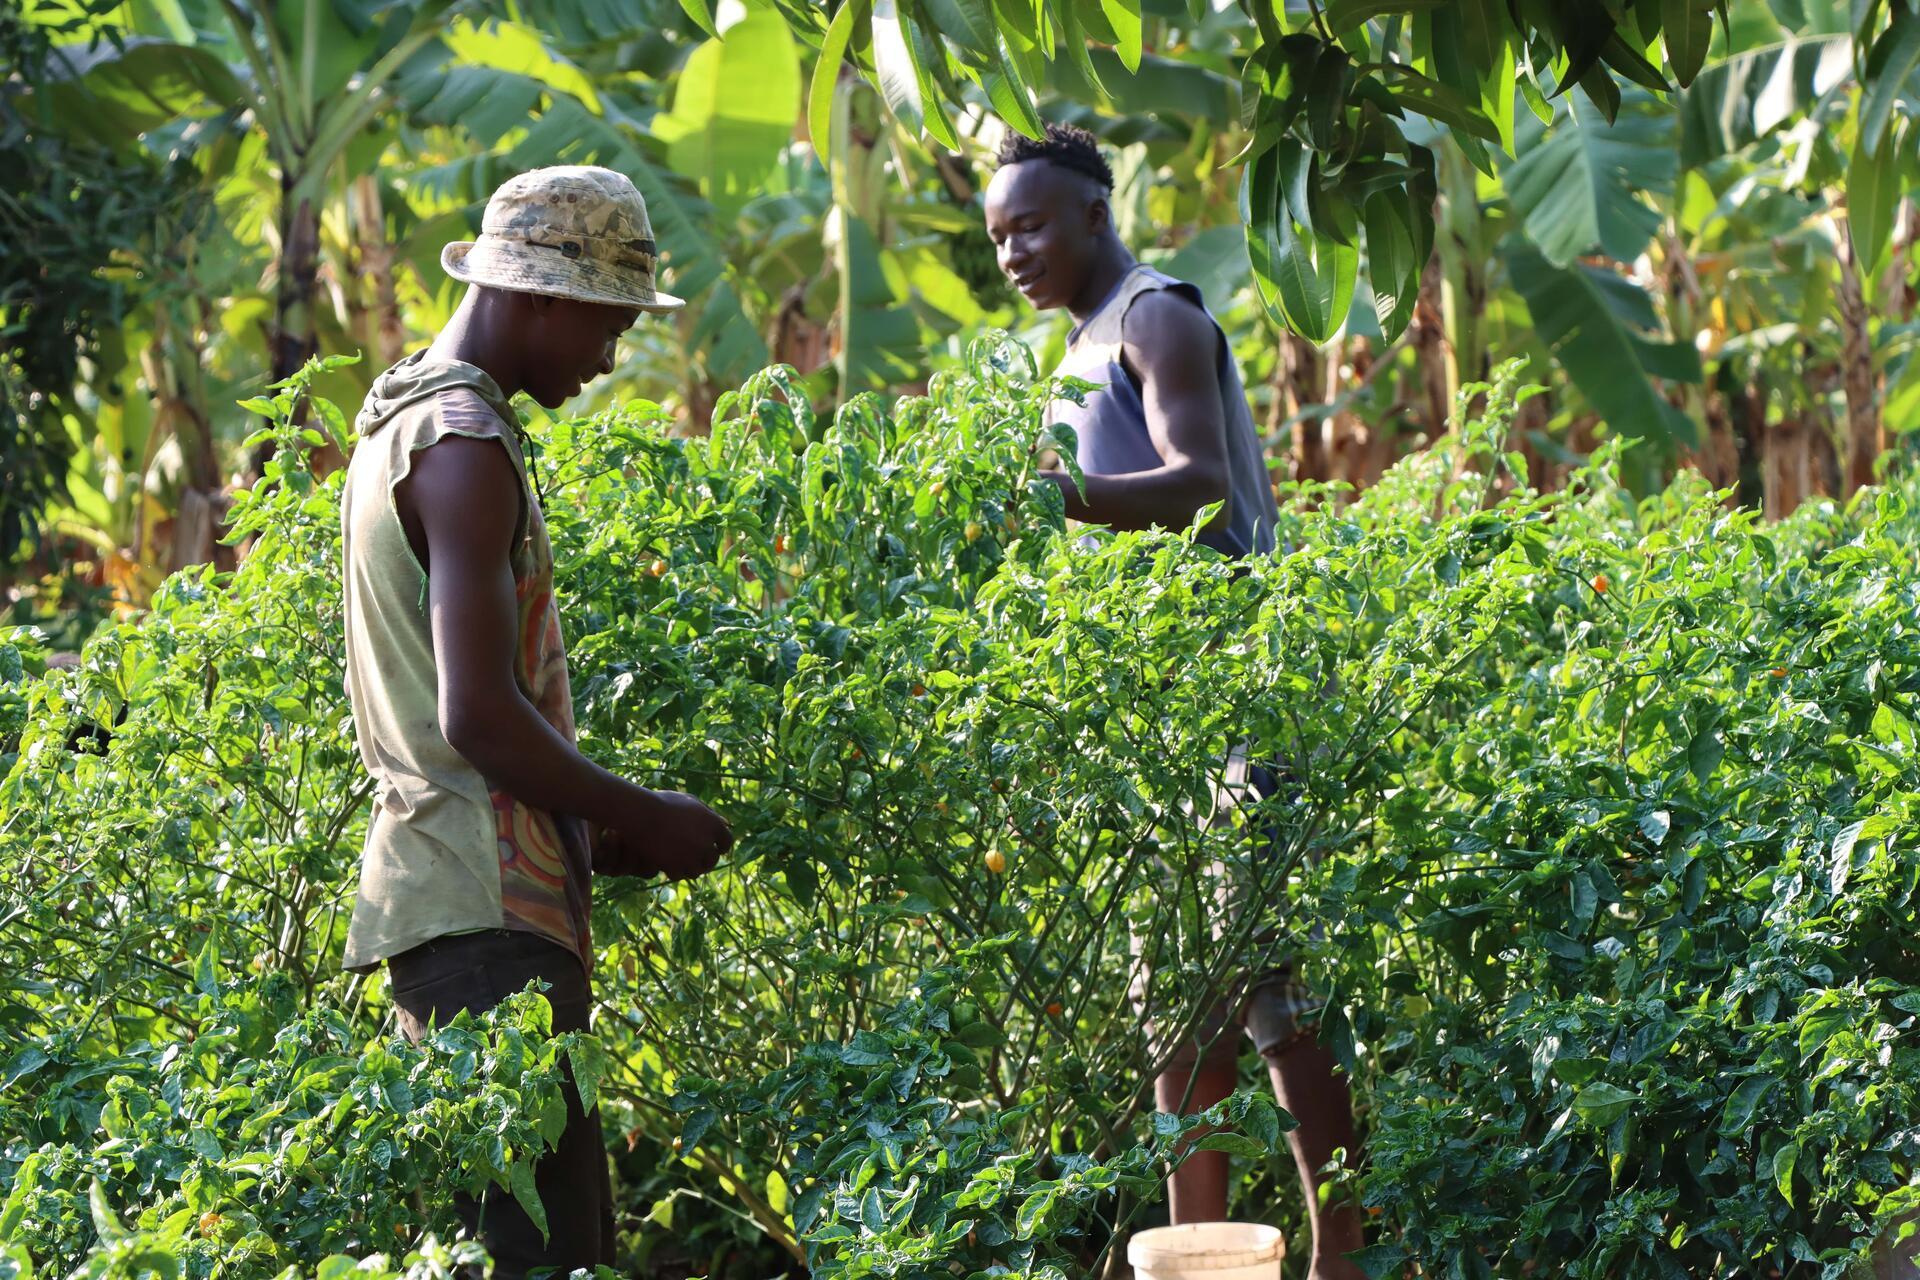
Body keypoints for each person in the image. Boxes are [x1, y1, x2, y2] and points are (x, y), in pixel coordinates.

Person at [983, 124, 1366, 1280]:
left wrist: (1059, 500)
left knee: (1276, 998)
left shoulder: (1156, 318)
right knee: (1177, 1007)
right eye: (999, 236)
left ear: (1097, 213)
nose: (1015, 252)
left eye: (1034, 226)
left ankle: (1342, 1254)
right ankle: (1195, 1256)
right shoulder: (1078, 344)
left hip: (1232, 709)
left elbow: (1197, 477)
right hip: (1157, 720)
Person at [338, 165, 734, 1277]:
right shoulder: (462, 445)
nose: (608, 360)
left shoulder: (402, 418)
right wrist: (645, 814)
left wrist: (585, 830)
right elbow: (476, 715)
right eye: (605, 327)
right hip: (482, 925)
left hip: (445, 899)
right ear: (538, 296)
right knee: (545, 1257)